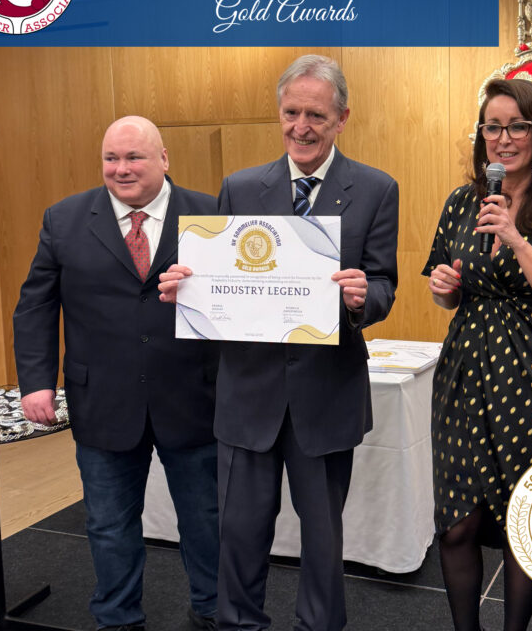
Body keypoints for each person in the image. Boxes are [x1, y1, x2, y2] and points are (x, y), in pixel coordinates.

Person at [159, 55, 399, 631]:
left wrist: (362, 297)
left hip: (327, 392)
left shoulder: (375, 189)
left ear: (342, 118)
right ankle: (239, 624)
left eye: (316, 115)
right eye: (292, 113)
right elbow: (216, 278)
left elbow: (384, 284)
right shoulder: (241, 187)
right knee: (239, 532)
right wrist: (186, 287)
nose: (302, 127)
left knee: (323, 537)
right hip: (248, 392)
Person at [14, 116, 220, 631]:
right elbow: (36, 306)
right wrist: (37, 382)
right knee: (108, 525)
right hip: (102, 401)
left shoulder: (211, 214)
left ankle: (214, 611)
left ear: (164, 159)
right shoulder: (64, 219)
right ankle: (118, 619)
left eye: (134, 157)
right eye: (111, 158)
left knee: (207, 521)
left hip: (193, 397)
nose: (121, 169)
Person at [422, 78, 532, 631]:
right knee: (457, 521)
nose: (503, 139)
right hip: (463, 370)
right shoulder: (462, 201)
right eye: (493, 127)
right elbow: (448, 291)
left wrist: (517, 239)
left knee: (523, 519)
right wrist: (444, 286)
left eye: (517, 126)